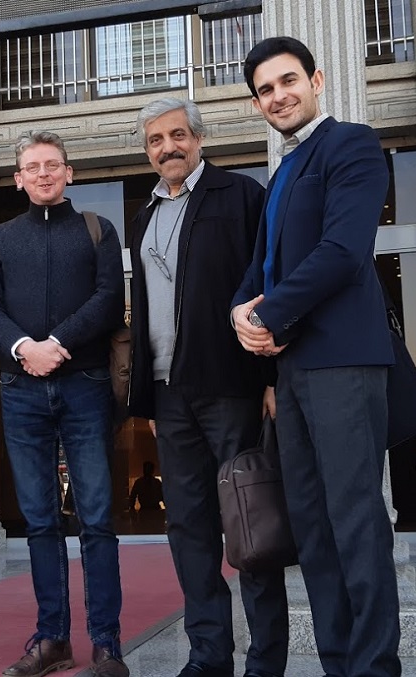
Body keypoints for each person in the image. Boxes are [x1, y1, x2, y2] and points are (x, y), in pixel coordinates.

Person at [230, 37, 401, 677]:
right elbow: (260, 266)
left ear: (317, 79)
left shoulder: (351, 145)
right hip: (292, 371)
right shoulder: (279, 174)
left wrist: (269, 314)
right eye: (266, 90)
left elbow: (342, 250)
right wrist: (241, 310)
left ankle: (375, 668)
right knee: (313, 525)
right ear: (257, 104)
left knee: (355, 521)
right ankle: (338, 663)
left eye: (288, 81)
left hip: (344, 362)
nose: (279, 95)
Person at [126, 98, 288, 677]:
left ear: (197, 137)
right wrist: (145, 394)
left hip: (231, 386)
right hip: (170, 395)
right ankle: (209, 655)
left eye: (176, 135)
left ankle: (266, 662)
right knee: (188, 526)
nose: (166, 147)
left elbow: (269, 284)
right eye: (155, 141)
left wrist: (270, 378)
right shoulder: (142, 216)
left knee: (251, 523)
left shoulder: (241, 195)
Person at [0, 131, 129, 677]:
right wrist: (24, 349)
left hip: (85, 384)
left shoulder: (98, 230)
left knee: (97, 521)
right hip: (19, 393)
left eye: (52, 165)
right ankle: (52, 639)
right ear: (17, 178)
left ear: (70, 173)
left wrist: (56, 346)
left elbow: (109, 299)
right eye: (31, 167)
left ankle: (107, 644)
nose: (43, 174)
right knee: (40, 522)